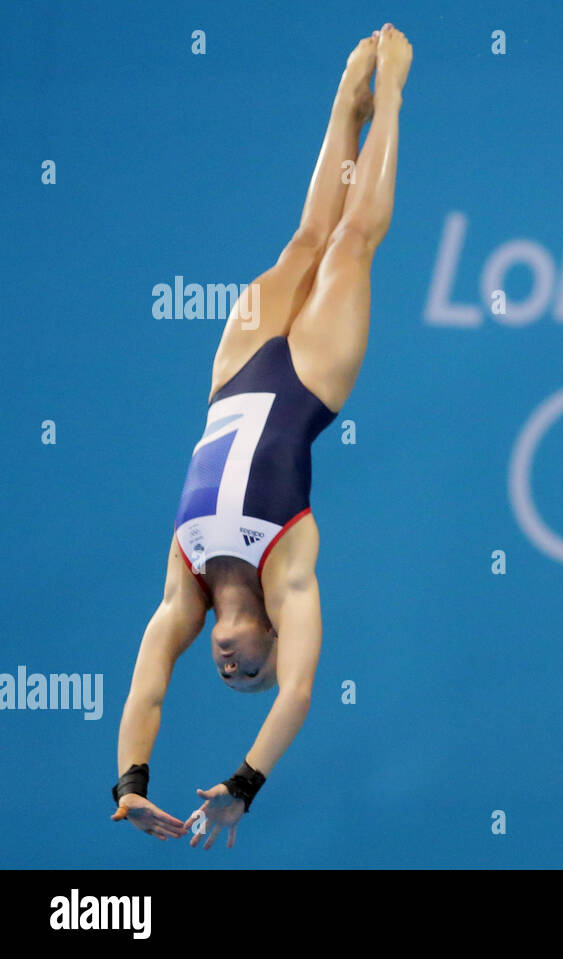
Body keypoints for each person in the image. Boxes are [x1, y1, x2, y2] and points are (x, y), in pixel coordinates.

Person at [110, 24, 412, 849]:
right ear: (273, 640)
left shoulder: (187, 586)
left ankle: (342, 98)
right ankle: (384, 96)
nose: (232, 670)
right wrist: (246, 782)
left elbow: (146, 686)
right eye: (252, 674)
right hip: (312, 383)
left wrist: (132, 780)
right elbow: (302, 695)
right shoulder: (291, 571)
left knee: (301, 240)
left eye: (228, 674)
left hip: (231, 375)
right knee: (347, 245)